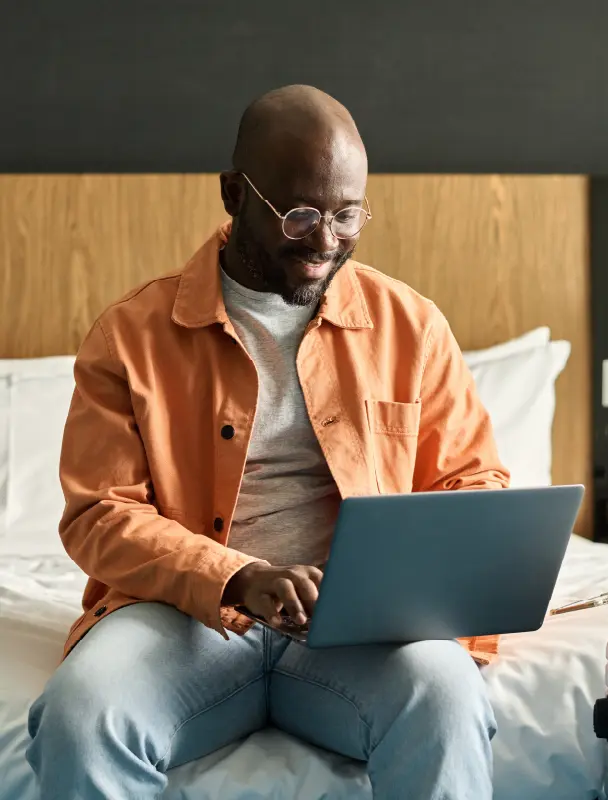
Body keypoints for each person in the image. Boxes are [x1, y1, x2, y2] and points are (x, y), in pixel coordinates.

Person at [26, 84, 510, 800]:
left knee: (445, 697)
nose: (324, 242)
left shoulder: (413, 326)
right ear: (233, 194)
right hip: (182, 620)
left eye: (347, 215)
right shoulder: (130, 335)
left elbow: (474, 487)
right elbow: (100, 514)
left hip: (359, 635)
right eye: (300, 214)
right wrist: (233, 575)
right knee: (79, 714)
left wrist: (389, 581)